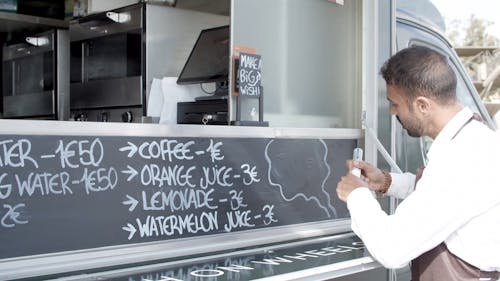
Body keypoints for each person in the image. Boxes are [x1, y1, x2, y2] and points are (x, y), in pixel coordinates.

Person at [336, 46, 500, 280]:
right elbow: (442, 199)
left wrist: (356, 195)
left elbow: (391, 248)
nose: (392, 112)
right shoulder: (472, 140)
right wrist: (387, 182)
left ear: (422, 105)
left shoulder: (463, 158)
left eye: (395, 104)